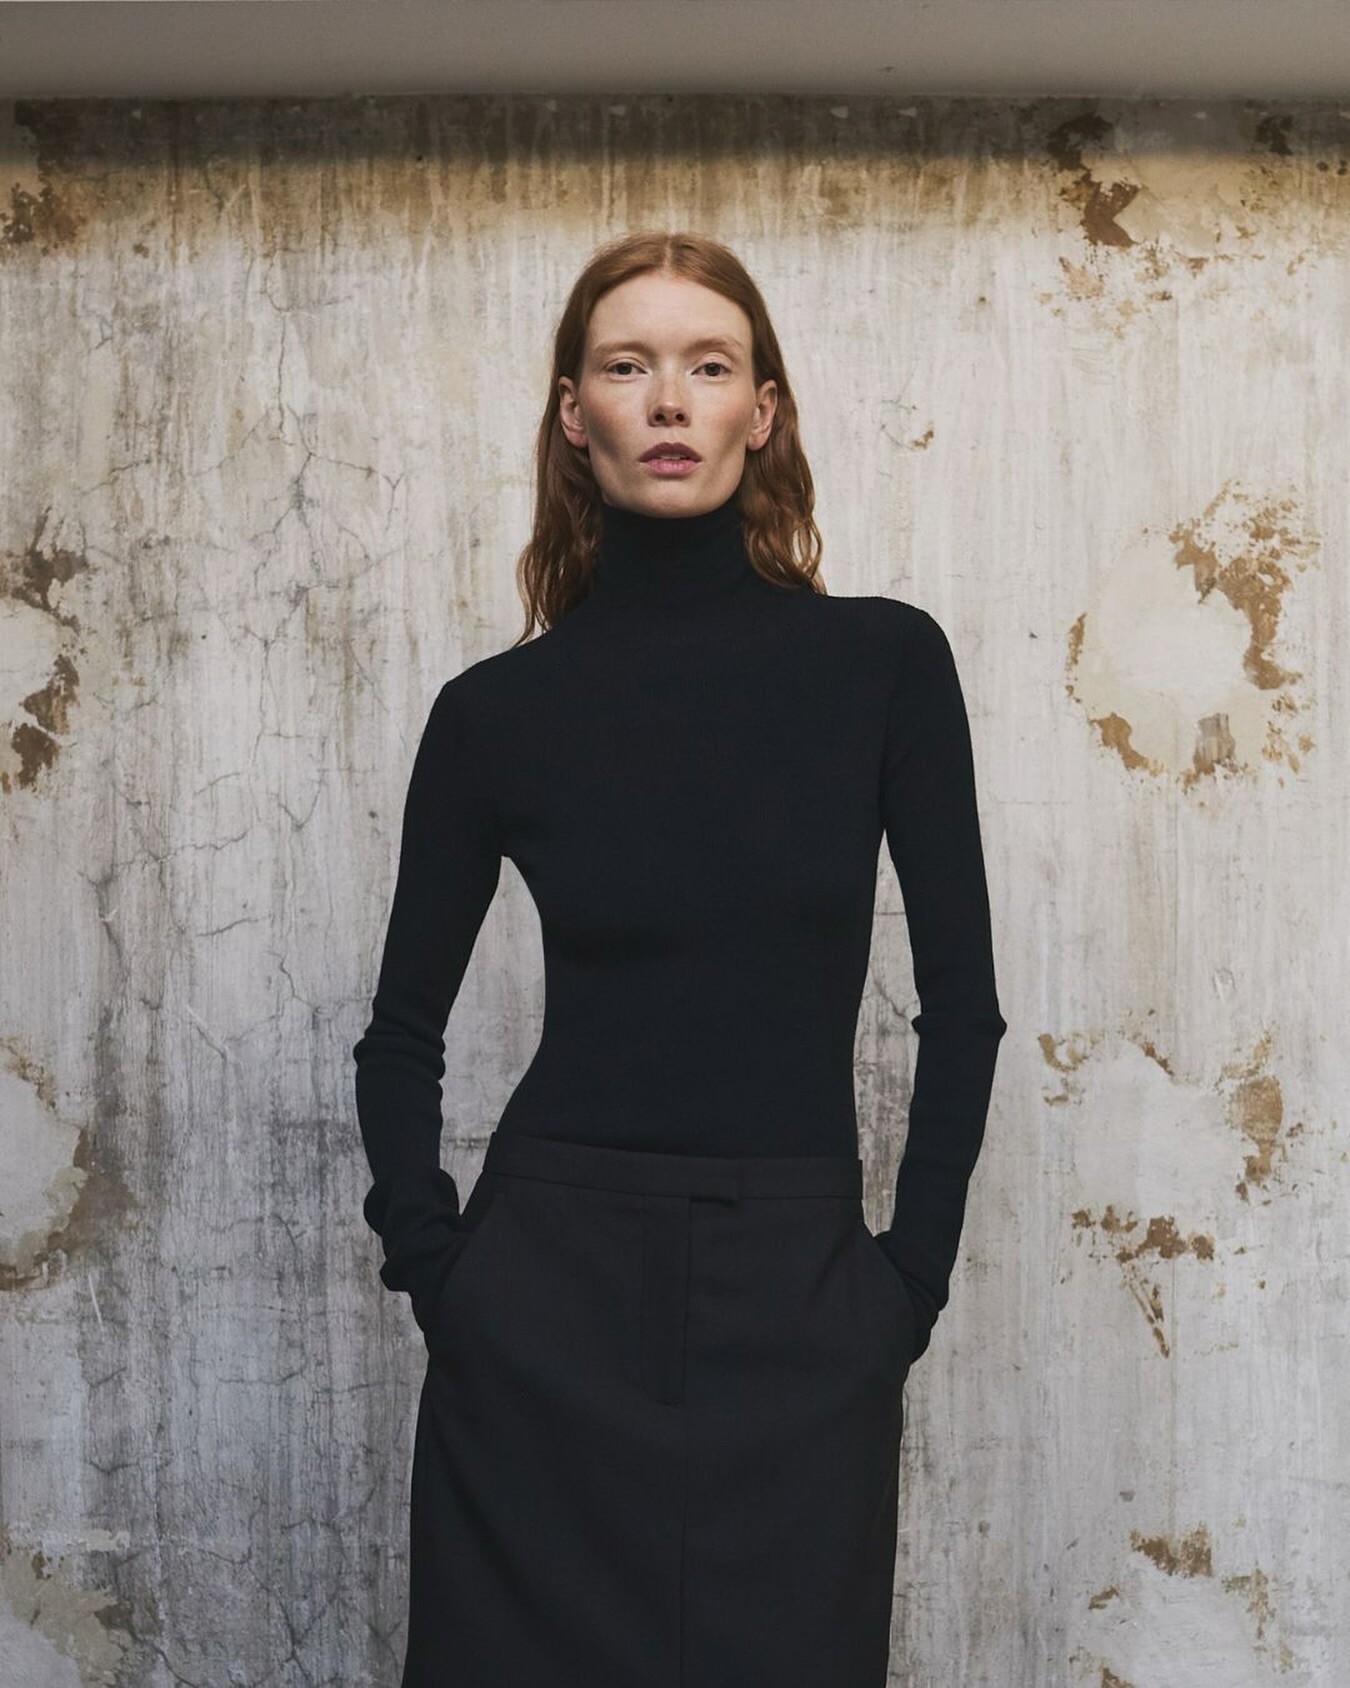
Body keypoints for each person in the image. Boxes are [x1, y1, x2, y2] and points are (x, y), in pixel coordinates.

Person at [353, 229, 1007, 1688]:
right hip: (543, 1299)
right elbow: (400, 1034)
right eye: (626, 366)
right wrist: (443, 1276)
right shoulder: (494, 714)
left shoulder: (885, 666)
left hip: (800, 1296)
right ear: (571, 413)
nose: (667, 400)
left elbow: (962, 1010)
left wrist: (903, 1288)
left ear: (760, 412)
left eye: (707, 367)